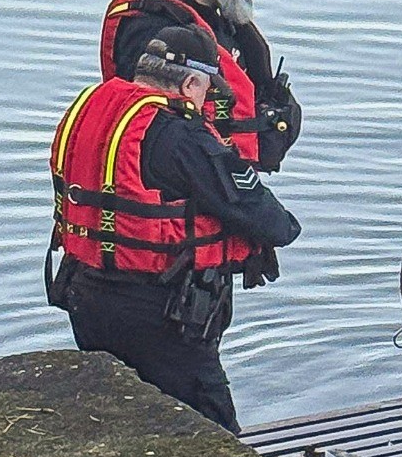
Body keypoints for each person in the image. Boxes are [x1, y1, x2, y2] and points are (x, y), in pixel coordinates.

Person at [48, 23, 301, 434]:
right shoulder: (181, 134)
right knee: (214, 435)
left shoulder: (92, 107)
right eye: (206, 90)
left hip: (85, 296)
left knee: (123, 421)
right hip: (159, 312)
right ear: (189, 83)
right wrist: (285, 227)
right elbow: (267, 219)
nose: (206, 102)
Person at [102, 0, 301, 173]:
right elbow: (155, 129)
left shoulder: (220, 12)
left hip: (219, 173)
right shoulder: (151, 28)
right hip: (183, 180)